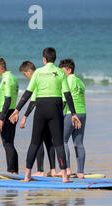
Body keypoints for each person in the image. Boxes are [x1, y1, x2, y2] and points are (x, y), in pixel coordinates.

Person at [9, 47, 81, 183]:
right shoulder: (60, 72)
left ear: (44, 59)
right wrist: (74, 113)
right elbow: (67, 94)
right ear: (55, 58)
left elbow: (28, 93)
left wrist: (18, 109)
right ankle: (65, 176)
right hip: (55, 107)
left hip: (41, 108)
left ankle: (27, 175)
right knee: (59, 143)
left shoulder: (38, 72)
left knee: (35, 142)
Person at [18, 61, 56, 177]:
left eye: (25, 74)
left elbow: (33, 101)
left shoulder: (36, 78)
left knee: (38, 142)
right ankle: (53, 170)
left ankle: (40, 170)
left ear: (29, 71)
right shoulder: (44, 77)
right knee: (49, 141)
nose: (26, 77)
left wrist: (25, 116)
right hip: (53, 111)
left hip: (42, 114)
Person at [57, 58, 87, 179]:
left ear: (69, 70)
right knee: (78, 143)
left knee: (62, 140)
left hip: (71, 113)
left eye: (62, 71)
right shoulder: (80, 81)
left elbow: (65, 100)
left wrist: (57, 114)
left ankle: (67, 169)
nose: (60, 73)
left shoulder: (68, 80)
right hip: (83, 113)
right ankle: (80, 172)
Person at [0, 58, 19, 174]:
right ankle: (15, 171)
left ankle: (11, 171)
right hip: (12, 111)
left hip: (6, 112)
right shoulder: (13, 77)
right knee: (10, 143)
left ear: (1, 68)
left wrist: (1, 119)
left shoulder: (6, 79)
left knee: (7, 143)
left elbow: (7, 99)